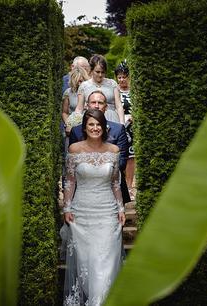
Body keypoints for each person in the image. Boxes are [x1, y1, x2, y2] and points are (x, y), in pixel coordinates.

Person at [61, 109, 126, 305]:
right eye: (91, 124)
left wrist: (121, 209)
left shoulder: (113, 151)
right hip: (82, 213)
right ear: (85, 127)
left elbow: (115, 184)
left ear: (104, 126)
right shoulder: (74, 149)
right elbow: (70, 182)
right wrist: (67, 208)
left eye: (98, 124)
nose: (95, 128)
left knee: (105, 260)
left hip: (107, 212)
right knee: (88, 263)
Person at [69, 90, 131, 203]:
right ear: (87, 105)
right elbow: (71, 166)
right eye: (93, 102)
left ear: (106, 107)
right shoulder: (76, 131)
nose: (96, 106)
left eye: (100, 103)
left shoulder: (118, 129)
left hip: (110, 189)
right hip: (83, 191)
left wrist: (99, 171)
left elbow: (121, 162)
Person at [75, 54, 125, 124]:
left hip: (111, 119)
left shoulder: (112, 84)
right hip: (91, 119)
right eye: (97, 72)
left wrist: (122, 123)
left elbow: (119, 106)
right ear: (91, 70)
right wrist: (75, 123)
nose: (100, 75)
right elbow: (79, 108)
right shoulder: (84, 86)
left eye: (103, 72)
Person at [114, 61, 136, 200]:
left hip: (132, 125)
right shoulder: (114, 89)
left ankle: (129, 186)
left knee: (131, 156)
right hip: (119, 124)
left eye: (124, 77)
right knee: (120, 154)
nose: (122, 79)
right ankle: (120, 186)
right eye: (119, 77)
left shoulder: (134, 91)